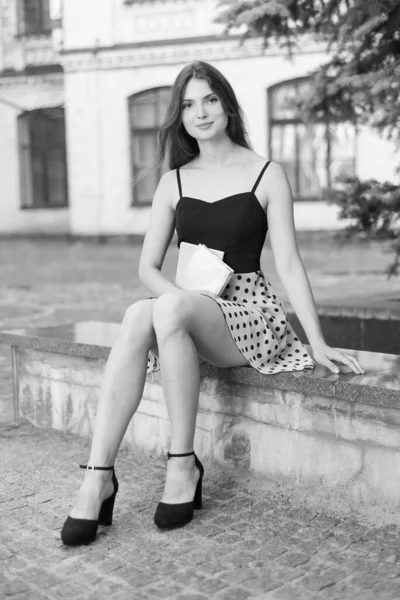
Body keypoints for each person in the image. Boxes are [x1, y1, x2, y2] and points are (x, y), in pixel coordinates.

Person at [61, 61, 365, 545]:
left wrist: (318, 340)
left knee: (164, 310)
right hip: (189, 307)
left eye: (208, 100)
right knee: (142, 311)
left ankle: (181, 465)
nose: (199, 112)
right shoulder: (174, 182)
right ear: (179, 117)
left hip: (252, 315)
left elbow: (288, 261)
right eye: (187, 104)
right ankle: (98, 475)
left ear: (226, 104)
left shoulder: (267, 174)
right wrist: (181, 299)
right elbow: (146, 269)